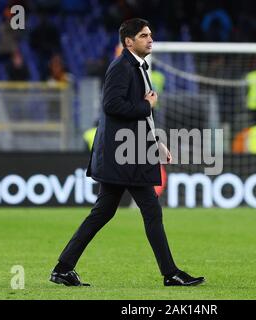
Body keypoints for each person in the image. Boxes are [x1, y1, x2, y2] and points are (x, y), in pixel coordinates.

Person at [50, 18, 205, 287]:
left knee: (103, 212)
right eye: (144, 35)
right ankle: (170, 274)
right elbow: (112, 105)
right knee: (150, 210)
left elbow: (136, 115)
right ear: (128, 41)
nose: (150, 38)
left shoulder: (137, 67)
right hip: (124, 154)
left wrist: (157, 141)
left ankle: (63, 268)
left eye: (150, 34)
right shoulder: (122, 67)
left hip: (126, 152)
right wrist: (147, 106)